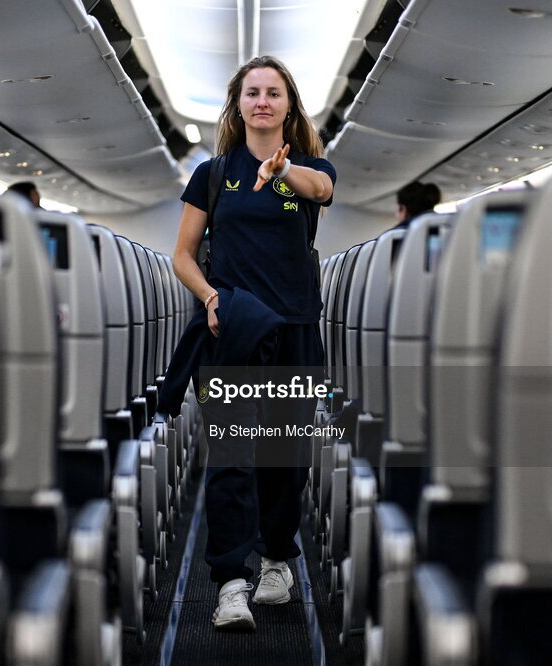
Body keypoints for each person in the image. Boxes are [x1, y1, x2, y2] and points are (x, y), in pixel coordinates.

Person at [171, 56, 336, 631]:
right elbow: (183, 255)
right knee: (233, 458)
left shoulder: (309, 168)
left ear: (289, 104)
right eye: (252, 92)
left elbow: (322, 190)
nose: (262, 100)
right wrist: (212, 298)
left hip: (293, 327)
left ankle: (274, 558)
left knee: (284, 458)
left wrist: (281, 172)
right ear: (237, 105)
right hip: (235, 328)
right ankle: (229, 582)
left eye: (273, 92)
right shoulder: (212, 175)